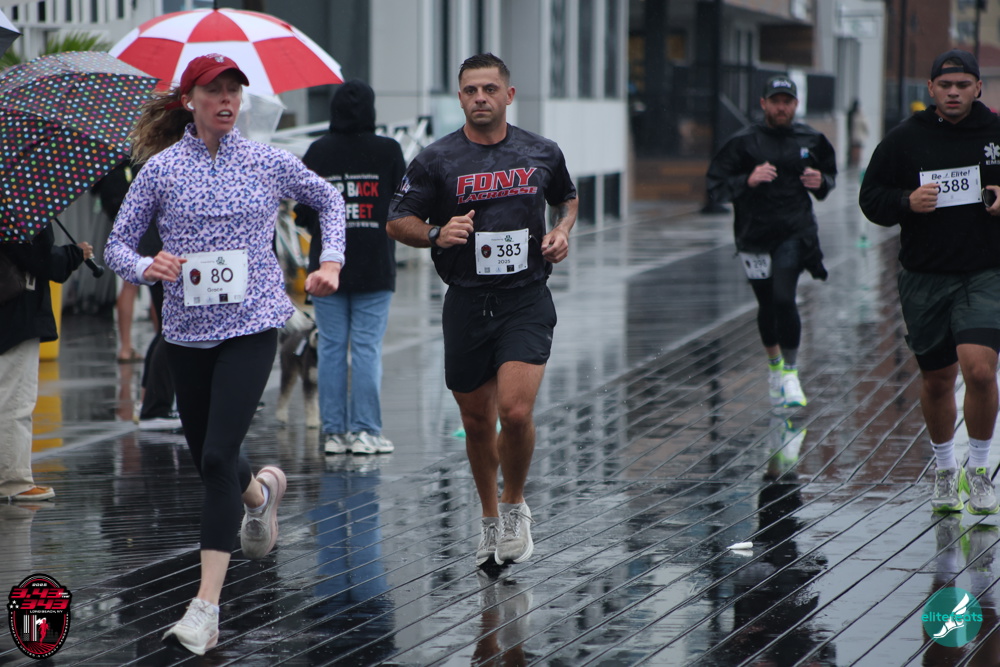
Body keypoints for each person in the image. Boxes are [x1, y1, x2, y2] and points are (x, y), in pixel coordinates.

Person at [104, 54, 346, 655]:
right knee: (211, 457)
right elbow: (116, 246)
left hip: (252, 324)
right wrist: (147, 265)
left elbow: (329, 200)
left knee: (215, 458)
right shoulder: (161, 169)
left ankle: (205, 609)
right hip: (186, 334)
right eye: (214, 90)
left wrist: (331, 261)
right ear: (191, 100)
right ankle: (261, 495)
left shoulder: (265, 160)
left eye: (234, 90)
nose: (227, 100)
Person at [387, 53, 578, 567]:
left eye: (490, 89)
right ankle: (490, 518)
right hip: (468, 301)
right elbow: (397, 219)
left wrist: (561, 231)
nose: (480, 98)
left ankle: (515, 507)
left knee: (514, 411)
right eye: (471, 90)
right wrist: (435, 232)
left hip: (526, 297)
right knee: (476, 421)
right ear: (459, 97)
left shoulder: (541, 151)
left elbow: (567, 198)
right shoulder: (436, 159)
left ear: (508, 95)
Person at [860, 49, 1000, 516]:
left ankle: (979, 470)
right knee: (937, 380)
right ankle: (944, 469)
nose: (954, 93)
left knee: (979, 370)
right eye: (945, 86)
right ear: (931, 89)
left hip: (986, 272)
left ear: (978, 88)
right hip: (925, 276)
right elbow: (870, 198)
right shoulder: (905, 139)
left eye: (962, 85)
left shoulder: (996, 132)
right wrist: (907, 200)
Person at [706, 75, 836, 408]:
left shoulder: (811, 139)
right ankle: (775, 366)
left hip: (794, 231)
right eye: (775, 101)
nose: (782, 108)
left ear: (796, 104)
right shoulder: (743, 142)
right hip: (754, 236)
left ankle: (791, 373)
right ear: (764, 104)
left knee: (783, 297)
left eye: (787, 102)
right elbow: (715, 186)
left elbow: (829, 175)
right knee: (767, 304)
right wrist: (747, 180)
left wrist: (821, 181)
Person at [294, 80, 406, 456]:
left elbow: (302, 214)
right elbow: (404, 204)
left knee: (330, 348)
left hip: (326, 270)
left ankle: (334, 433)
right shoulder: (389, 150)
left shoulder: (318, 151)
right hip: (376, 265)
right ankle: (366, 432)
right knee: (366, 349)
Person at [0, 226, 91, 502]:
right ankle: (13, 481)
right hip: (15, 312)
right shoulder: (14, 212)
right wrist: (74, 254)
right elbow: (38, 258)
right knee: (15, 399)